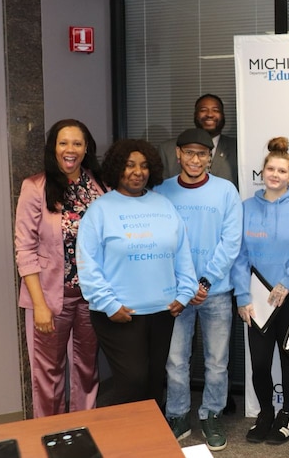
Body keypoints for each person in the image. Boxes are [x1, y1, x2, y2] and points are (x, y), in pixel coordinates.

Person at [76, 139, 198, 406]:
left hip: (162, 311)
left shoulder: (163, 205)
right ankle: (125, 441)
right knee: (133, 380)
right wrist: (109, 305)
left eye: (143, 166)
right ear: (117, 168)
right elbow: (87, 264)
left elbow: (182, 252)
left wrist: (186, 292)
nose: (137, 172)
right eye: (129, 165)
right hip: (120, 314)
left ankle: (151, 442)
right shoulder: (100, 210)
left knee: (154, 381)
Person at [156, 128, 243, 451]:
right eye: (188, 153)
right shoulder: (161, 192)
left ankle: (211, 414)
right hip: (176, 293)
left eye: (201, 154)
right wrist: (184, 286)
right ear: (177, 155)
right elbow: (161, 242)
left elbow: (231, 241)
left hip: (216, 291)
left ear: (210, 157)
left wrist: (204, 282)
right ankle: (177, 414)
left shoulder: (225, 191)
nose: (195, 159)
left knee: (217, 361)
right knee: (175, 360)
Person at [14, 119, 106, 418]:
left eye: (77, 143)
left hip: (90, 298)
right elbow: (24, 249)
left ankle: (84, 429)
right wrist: (39, 305)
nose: (70, 150)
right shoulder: (35, 187)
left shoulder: (99, 186)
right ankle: (48, 435)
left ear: (86, 148)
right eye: (63, 143)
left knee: (87, 370)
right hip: (50, 299)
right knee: (48, 376)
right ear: (53, 148)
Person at [231, 137, 289, 445]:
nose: (275, 174)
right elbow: (239, 255)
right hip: (257, 299)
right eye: (271, 169)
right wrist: (242, 296)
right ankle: (265, 413)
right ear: (262, 172)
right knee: (261, 362)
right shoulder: (246, 208)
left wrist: (287, 282)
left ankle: (288, 414)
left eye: (282, 170)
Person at [158, 93, 239, 189]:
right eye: (203, 110)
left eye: (215, 110)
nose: (209, 114)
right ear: (195, 115)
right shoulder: (167, 149)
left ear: (223, 116)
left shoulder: (237, 148)